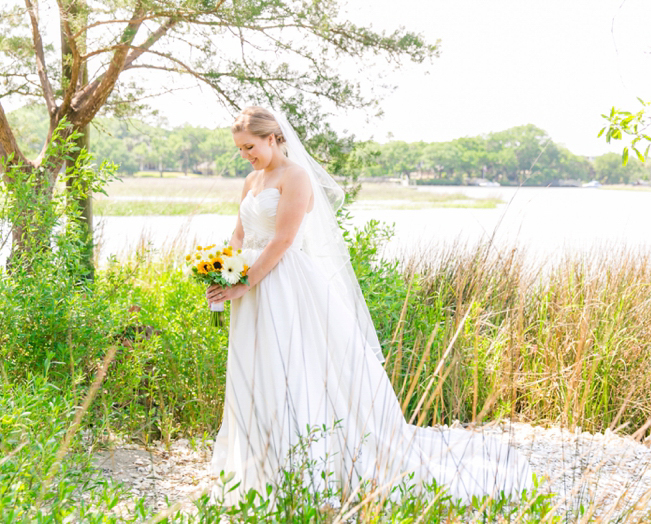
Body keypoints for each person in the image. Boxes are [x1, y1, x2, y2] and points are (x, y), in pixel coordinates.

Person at [206, 106, 533, 508]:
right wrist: (223, 272)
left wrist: (245, 282)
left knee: (290, 365)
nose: (246, 155)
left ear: (272, 138)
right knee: (255, 368)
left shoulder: (296, 178)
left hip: (283, 283)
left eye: (250, 146)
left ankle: (302, 464)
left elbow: (283, 240)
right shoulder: (251, 180)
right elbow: (239, 234)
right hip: (248, 287)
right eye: (240, 149)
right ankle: (258, 462)